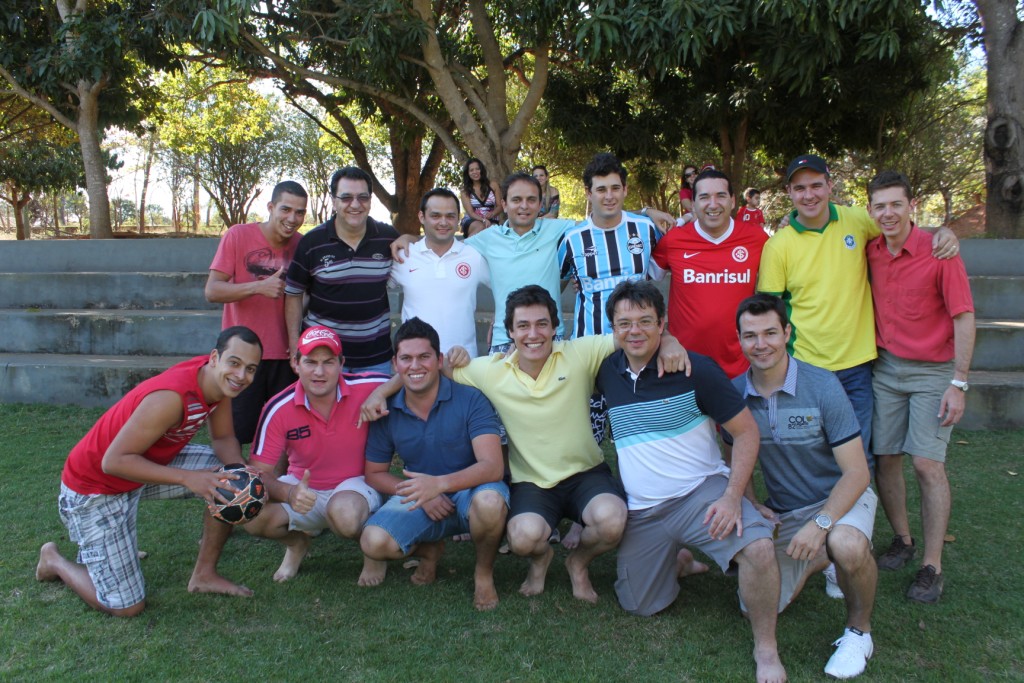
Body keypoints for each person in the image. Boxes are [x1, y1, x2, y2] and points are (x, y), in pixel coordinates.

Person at [376, 285, 687, 604]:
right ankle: (541, 559)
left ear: (555, 328)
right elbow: (422, 367)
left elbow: (631, 335)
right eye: (523, 326)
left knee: (612, 520)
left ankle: (578, 563)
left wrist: (669, 340)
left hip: (586, 474)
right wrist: (381, 392)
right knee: (523, 539)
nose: (533, 334)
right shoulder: (490, 371)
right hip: (531, 482)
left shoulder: (580, 353)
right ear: (510, 331)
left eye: (541, 324)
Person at [597, 281, 786, 683]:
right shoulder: (606, 371)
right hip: (643, 511)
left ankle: (766, 648)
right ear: (612, 328)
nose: (635, 331)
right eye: (625, 323)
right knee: (639, 605)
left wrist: (733, 497)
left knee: (758, 549)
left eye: (645, 321)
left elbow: (746, 433)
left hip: (701, 494)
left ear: (662, 323)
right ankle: (680, 560)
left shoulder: (694, 369)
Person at [36, 327, 263, 617]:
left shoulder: (219, 382)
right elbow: (113, 462)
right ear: (215, 358)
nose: (241, 375)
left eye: (250, 368)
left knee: (226, 478)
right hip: (94, 489)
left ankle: (204, 575)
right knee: (126, 606)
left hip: (138, 470)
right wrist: (188, 478)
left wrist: (240, 474)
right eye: (235, 363)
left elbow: (223, 438)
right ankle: (53, 560)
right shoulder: (170, 397)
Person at [758, 153, 959, 465]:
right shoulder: (778, 246)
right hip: (806, 367)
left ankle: (855, 500)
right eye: (800, 188)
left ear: (830, 186)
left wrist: (942, 232)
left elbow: (899, 225)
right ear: (789, 193)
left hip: (858, 368)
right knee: (809, 454)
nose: (809, 195)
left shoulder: (856, 220)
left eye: (816, 185)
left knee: (857, 456)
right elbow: (769, 311)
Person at [728, 294, 878, 680]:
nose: (760, 344)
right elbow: (731, 457)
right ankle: (819, 559)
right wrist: (752, 502)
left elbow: (857, 473)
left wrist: (821, 523)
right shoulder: (734, 394)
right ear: (739, 340)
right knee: (752, 606)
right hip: (788, 511)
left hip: (842, 499)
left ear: (787, 333)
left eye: (770, 333)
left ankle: (859, 632)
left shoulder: (822, 385)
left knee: (847, 544)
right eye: (750, 336)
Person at [865, 171, 975, 604]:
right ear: (870, 210)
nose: (888, 213)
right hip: (886, 368)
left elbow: (963, 316)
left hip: (933, 372)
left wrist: (958, 382)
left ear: (912, 206)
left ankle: (932, 565)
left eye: (896, 204)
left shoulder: (940, 251)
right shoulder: (871, 250)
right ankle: (903, 539)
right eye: (880, 206)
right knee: (886, 457)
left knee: (928, 464)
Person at [360, 318, 508, 610]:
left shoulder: (470, 398)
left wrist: (438, 485)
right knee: (374, 542)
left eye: (424, 357)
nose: (415, 366)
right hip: (422, 498)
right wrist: (421, 493)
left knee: (491, 502)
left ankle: (483, 572)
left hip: (472, 492)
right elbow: (374, 473)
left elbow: (493, 467)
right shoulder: (386, 409)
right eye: (406, 358)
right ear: (395, 364)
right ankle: (429, 550)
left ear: (439, 360)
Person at [243, 326, 390, 585]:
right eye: (310, 362)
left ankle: (374, 554)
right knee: (251, 512)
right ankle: (297, 544)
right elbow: (258, 474)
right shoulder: (278, 407)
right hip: (304, 488)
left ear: (341, 364)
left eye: (328, 362)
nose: (319, 372)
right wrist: (289, 493)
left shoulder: (366, 386)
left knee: (345, 515)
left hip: (356, 487)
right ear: (296, 363)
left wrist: (381, 393)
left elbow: (406, 376)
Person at [205, 181, 308, 444]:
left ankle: (274, 474)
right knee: (237, 431)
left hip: (284, 354)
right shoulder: (238, 235)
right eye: (286, 209)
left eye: (299, 212)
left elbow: (302, 296)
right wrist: (258, 287)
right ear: (271, 207)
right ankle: (235, 471)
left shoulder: (302, 245)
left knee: (285, 433)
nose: (292, 219)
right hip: (243, 353)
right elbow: (212, 291)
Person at [652, 168, 767, 379]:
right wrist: (645, 212)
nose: (713, 204)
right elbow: (640, 279)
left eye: (720, 196)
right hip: (684, 366)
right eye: (704, 197)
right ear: (693, 203)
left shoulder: (757, 239)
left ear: (733, 201)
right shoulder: (674, 240)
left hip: (742, 369)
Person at [285, 166, 398, 375]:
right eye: (346, 197)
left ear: (370, 200)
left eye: (363, 197)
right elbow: (293, 295)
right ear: (334, 200)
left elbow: (416, 246)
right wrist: (294, 346)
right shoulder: (312, 242)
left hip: (376, 358)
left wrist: (408, 238)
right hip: (322, 358)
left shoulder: (388, 237)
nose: (355, 204)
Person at [389, 188, 490, 357]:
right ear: (422, 217)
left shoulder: (474, 256)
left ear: (458, 219)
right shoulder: (404, 256)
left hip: (463, 361)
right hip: (417, 362)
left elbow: (506, 290)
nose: (443, 222)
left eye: (450, 216)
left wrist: (500, 321)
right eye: (435, 216)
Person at [459, 157, 503, 237]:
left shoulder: (493, 185)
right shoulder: (465, 191)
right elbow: (471, 213)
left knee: (493, 230)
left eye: (477, 169)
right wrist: (483, 220)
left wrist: (492, 213)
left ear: (481, 170)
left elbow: (500, 206)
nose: (475, 172)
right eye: (471, 170)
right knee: (481, 227)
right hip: (472, 220)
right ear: (468, 173)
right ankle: (465, 244)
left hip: (492, 219)